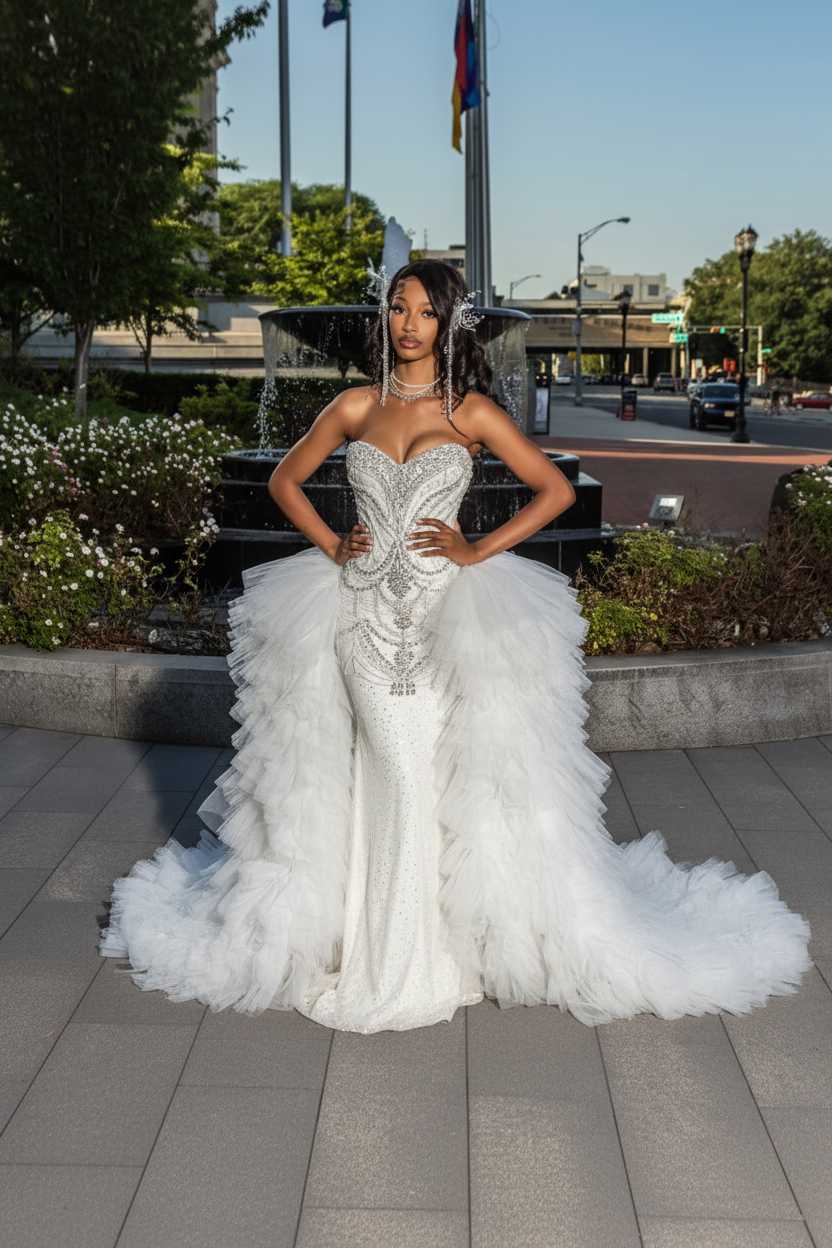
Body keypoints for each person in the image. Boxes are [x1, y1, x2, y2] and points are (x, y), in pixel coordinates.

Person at [102, 260, 810, 1032]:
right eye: (398, 308)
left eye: (424, 312)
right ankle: (391, 960)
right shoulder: (353, 405)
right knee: (397, 771)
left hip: (450, 620)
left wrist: (476, 549)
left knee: (431, 776)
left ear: (447, 325)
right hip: (363, 619)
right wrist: (336, 544)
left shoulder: (470, 411)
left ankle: (433, 942)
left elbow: (556, 491)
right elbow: (284, 482)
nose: (408, 323)